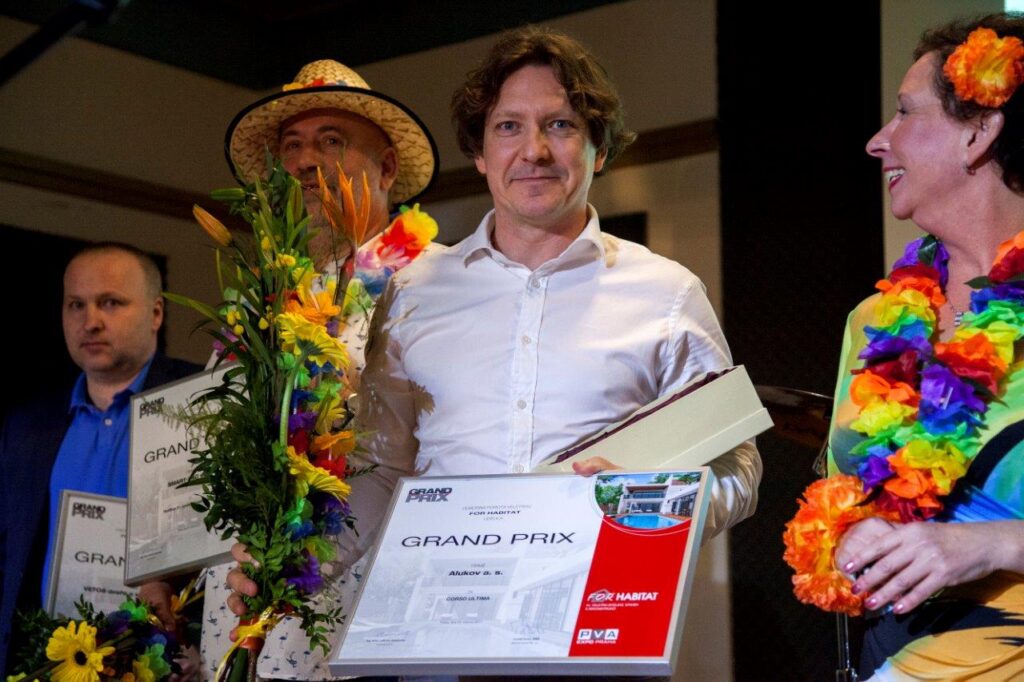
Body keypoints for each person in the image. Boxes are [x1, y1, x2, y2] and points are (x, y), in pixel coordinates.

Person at [201, 58, 439, 681]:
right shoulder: (261, 298)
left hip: (369, 613)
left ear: (387, 168)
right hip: (243, 606)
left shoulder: (434, 283)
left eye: (331, 141)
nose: (305, 161)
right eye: (291, 145)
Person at [828, 14, 1024, 679]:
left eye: (906, 112)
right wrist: (849, 531)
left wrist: (993, 543)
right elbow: (838, 492)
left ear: (979, 130)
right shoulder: (873, 321)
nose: (877, 141)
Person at [0, 243, 201, 674]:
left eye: (110, 303)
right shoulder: (26, 425)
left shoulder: (203, 398)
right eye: (76, 304)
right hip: (48, 665)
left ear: (156, 313)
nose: (90, 321)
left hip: (173, 663)